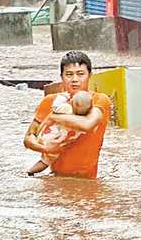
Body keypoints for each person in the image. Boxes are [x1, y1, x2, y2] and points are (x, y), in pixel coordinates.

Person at [23, 51, 110, 179]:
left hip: (87, 180)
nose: (74, 79)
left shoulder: (99, 100)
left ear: (89, 76)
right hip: (54, 181)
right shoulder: (50, 101)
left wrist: (54, 117)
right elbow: (28, 138)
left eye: (80, 74)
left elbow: (87, 125)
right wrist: (46, 148)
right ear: (62, 77)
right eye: (69, 74)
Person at [26, 90, 92, 175]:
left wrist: (63, 97)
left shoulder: (68, 109)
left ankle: (33, 140)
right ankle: (31, 171)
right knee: (45, 162)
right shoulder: (83, 121)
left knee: (36, 136)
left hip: (48, 137)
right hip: (59, 143)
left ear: (71, 102)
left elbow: (55, 107)